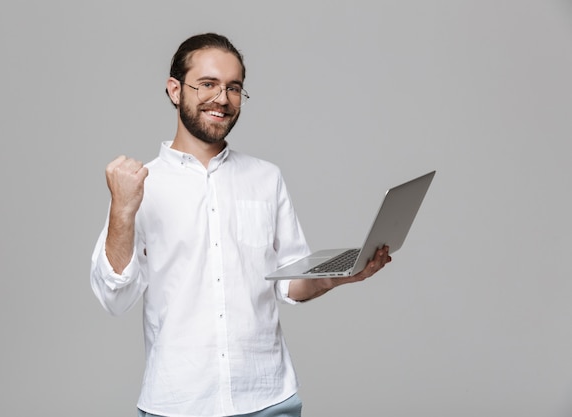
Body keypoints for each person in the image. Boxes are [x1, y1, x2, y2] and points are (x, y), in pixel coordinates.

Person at [90, 32, 391, 417]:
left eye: (234, 88)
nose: (222, 98)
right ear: (175, 90)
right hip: (178, 402)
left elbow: (290, 282)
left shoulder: (267, 178)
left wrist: (341, 275)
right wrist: (122, 209)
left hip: (269, 398)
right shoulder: (139, 184)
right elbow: (114, 298)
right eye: (208, 84)